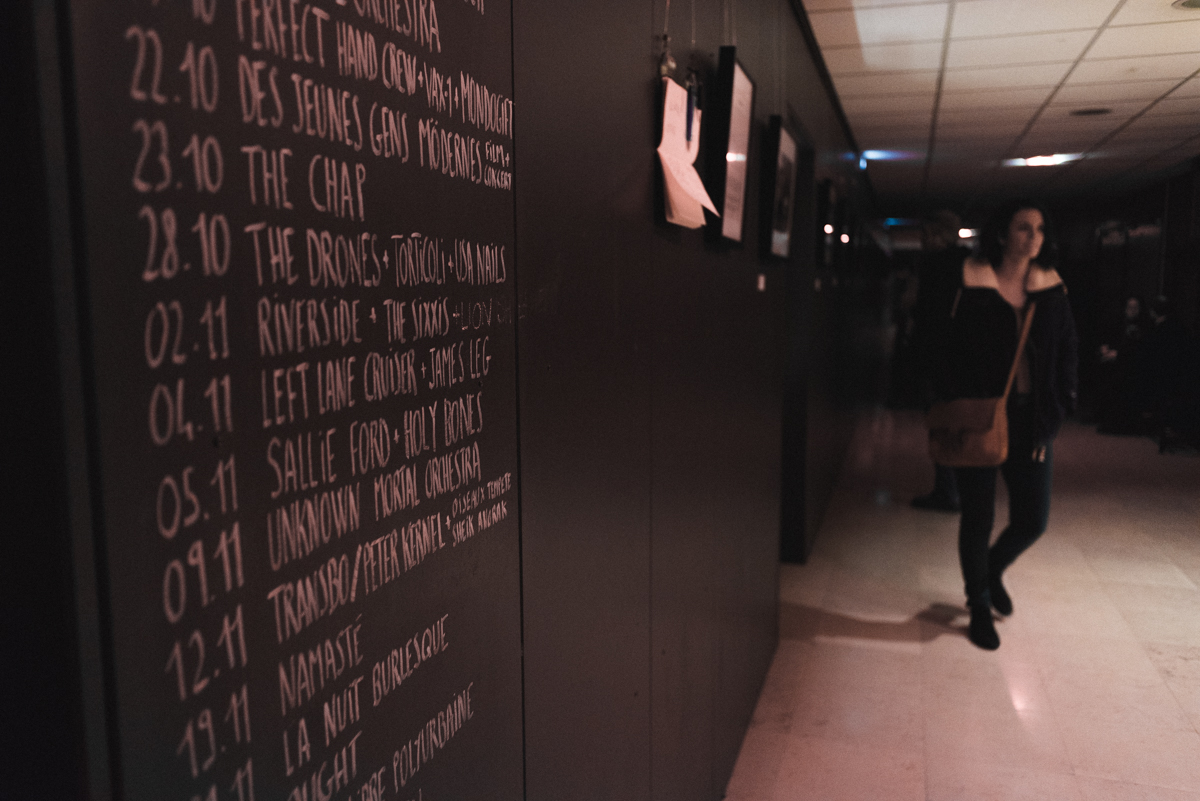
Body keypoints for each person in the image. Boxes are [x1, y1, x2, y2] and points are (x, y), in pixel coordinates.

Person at [932, 200, 1078, 650]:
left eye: (1039, 229)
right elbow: (939, 344)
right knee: (978, 515)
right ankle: (978, 604)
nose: (1032, 237)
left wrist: (1061, 404)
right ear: (1001, 234)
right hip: (979, 413)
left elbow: (1068, 350)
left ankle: (992, 569)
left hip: (1031, 417)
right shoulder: (970, 282)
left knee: (1033, 519)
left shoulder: (1051, 289)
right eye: (1022, 228)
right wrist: (949, 394)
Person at [910, 210, 972, 512]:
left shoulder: (933, 266)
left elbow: (925, 314)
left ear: (936, 235)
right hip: (963, 357)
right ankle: (958, 488)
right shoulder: (970, 263)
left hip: (937, 357)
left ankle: (947, 490)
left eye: (925, 235)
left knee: (940, 424)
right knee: (958, 425)